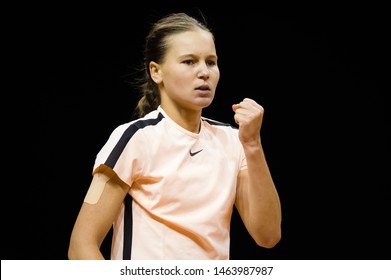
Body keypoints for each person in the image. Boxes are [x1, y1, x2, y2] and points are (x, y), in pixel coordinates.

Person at [68, 11, 281, 260]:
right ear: (156, 72)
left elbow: (267, 236)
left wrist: (253, 144)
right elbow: (82, 245)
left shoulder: (234, 141)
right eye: (189, 61)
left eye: (211, 62)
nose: (205, 72)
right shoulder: (136, 138)